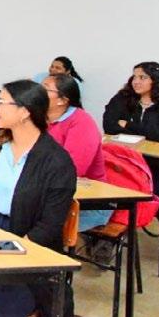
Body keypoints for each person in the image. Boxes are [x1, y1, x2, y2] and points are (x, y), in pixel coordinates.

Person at [0, 80, 76, 317]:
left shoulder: (57, 161)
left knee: (3, 312)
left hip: (30, 250)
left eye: (1, 103)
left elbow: (49, 226)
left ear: (25, 111)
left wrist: (7, 253)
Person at [103, 61, 159, 194]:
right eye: (134, 77)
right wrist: (148, 132)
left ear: (156, 80)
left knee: (149, 188)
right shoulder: (123, 98)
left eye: (142, 77)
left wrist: (129, 125)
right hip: (124, 158)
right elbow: (109, 126)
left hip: (156, 162)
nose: (136, 82)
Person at [43, 74, 109, 231]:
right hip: (49, 193)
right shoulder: (39, 119)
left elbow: (73, 169)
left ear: (62, 100)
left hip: (86, 201)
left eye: (45, 89)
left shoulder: (81, 122)